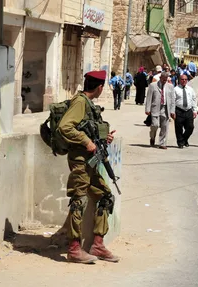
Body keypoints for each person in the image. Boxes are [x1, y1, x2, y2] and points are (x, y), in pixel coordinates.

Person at [58, 70, 119, 264]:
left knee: (105, 196)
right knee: (79, 200)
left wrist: (103, 138)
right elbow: (65, 126)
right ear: (100, 87)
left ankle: (98, 245)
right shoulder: (80, 102)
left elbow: (87, 128)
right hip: (80, 160)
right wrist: (86, 142)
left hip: (90, 161)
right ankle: (74, 248)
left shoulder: (89, 104)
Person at [145, 72, 176, 149]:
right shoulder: (153, 86)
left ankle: (162, 143)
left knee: (164, 127)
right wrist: (147, 109)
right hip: (155, 108)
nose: (164, 81)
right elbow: (149, 98)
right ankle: (152, 137)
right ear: (160, 78)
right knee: (154, 125)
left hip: (165, 108)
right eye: (163, 80)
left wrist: (172, 111)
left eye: (166, 80)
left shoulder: (170, 86)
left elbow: (172, 100)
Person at [174, 73, 197, 148]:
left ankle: (184, 139)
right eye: (182, 79)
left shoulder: (190, 89)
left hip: (188, 111)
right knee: (178, 128)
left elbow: (193, 99)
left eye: (185, 79)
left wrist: (195, 110)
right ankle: (180, 142)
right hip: (179, 111)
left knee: (190, 127)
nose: (184, 81)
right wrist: (172, 111)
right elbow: (172, 101)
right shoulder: (175, 89)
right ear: (179, 80)